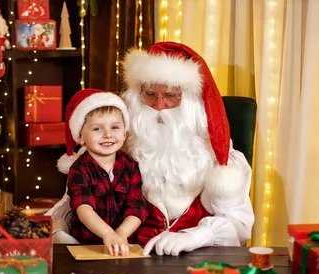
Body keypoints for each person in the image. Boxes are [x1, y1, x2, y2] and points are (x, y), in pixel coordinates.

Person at [49, 42, 254, 256]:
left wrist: (194, 236)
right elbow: (71, 205)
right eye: (150, 94)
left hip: (193, 263)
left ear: (191, 103)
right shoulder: (114, 146)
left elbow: (239, 227)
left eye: (170, 95)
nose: (159, 106)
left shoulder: (219, 160)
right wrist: (61, 232)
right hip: (122, 259)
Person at [57, 89, 147, 256]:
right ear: (81, 137)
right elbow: (83, 207)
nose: (108, 134)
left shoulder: (130, 166)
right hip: (86, 245)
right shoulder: (79, 169)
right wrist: (108, 234)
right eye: (97, 129)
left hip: (125, 244)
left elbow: (136, 207)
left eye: (115, 127)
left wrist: (120, 235)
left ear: (124, 133)